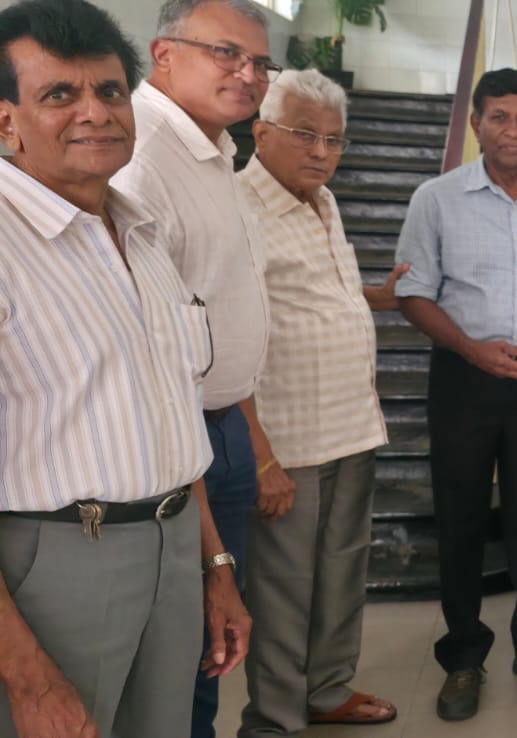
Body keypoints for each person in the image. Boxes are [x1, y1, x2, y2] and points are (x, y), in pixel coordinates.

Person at [0, 1, 251, 735]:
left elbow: (172, 412)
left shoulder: (140, 234)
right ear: (6, 122)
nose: (95, 112)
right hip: (53, 563)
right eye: (59, 94)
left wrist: (215, 566)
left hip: (175, 545)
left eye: (110, 90)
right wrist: (25, 675)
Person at [395, 68, 517, 721]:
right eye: (500, 118)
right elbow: (412, 294)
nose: (513, 131)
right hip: (464, 372)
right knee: (459, 515)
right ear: (478, 124)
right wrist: (469, 348)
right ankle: (462, 657)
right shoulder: (437, 199)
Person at [107, 1, 270, 734]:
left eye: (260, 62)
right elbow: (149, 351)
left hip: (221, 425)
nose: (249, 74)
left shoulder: (214, 149)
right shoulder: (142, 156)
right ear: (164, 53)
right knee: (185, 651)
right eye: (227, 53)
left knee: (210, 648)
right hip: (177, 441)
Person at [235, 69, 411, 735]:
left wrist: (371, 299)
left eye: (334, 140)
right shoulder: (240, 210)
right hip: (289, 440)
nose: (321, 151)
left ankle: (327, 688)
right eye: (304, 134)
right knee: (284, 589)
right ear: (261, 133)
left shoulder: (323, 199)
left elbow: (309, 294)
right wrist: (261, 458)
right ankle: (276, 717)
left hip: (350, 425)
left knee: (342, 574)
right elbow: (226, 339)